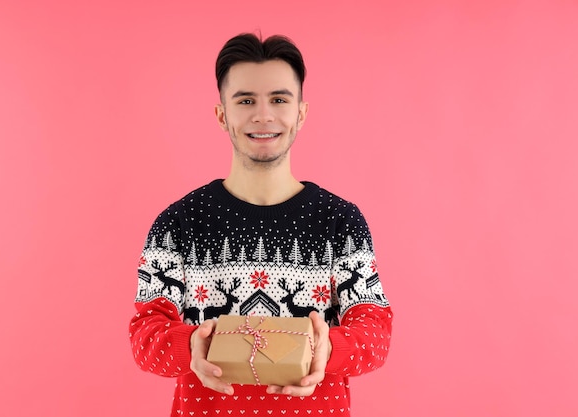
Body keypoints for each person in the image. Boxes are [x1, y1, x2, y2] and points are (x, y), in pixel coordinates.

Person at [129, 32, 393, 416]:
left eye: (279, 99)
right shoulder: (177, 224)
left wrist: (328, 349)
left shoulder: (341, 223)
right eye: (246, 100)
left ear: (300, 112)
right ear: (222, 114)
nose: (263, 115)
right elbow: (145, 335)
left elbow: (375, 331)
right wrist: (192, 347)